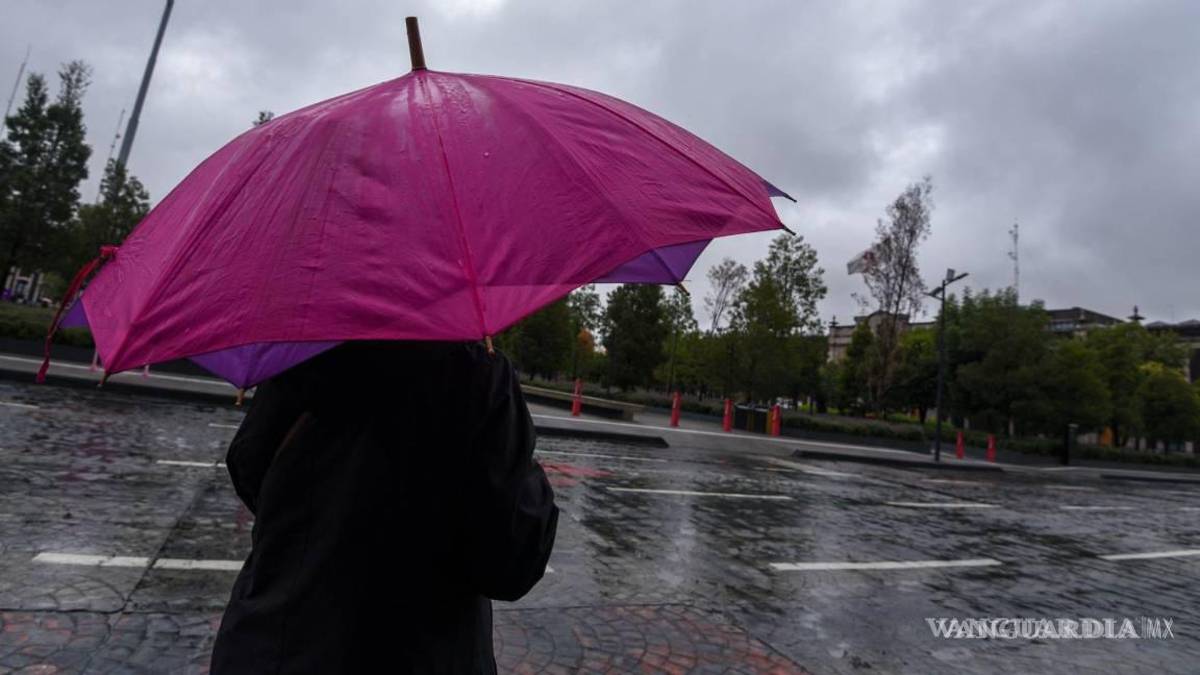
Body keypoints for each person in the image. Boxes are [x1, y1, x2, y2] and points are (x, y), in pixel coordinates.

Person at [210, 340, 558, 673]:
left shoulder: (300, 354)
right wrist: (518, 459)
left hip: (274, 643)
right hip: (421, 653)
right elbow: (513, 561)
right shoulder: (474, 373)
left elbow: (247, 467)